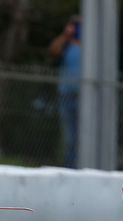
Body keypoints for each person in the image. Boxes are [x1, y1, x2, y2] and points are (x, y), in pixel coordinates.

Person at [49, 14, 81, 168]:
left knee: (83, 135)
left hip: (85, 98)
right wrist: (65, 35)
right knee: (69, 138)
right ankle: (69, 168)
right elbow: (53, 50)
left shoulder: (90, 47)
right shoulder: (66, 45)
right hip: (67, 96)